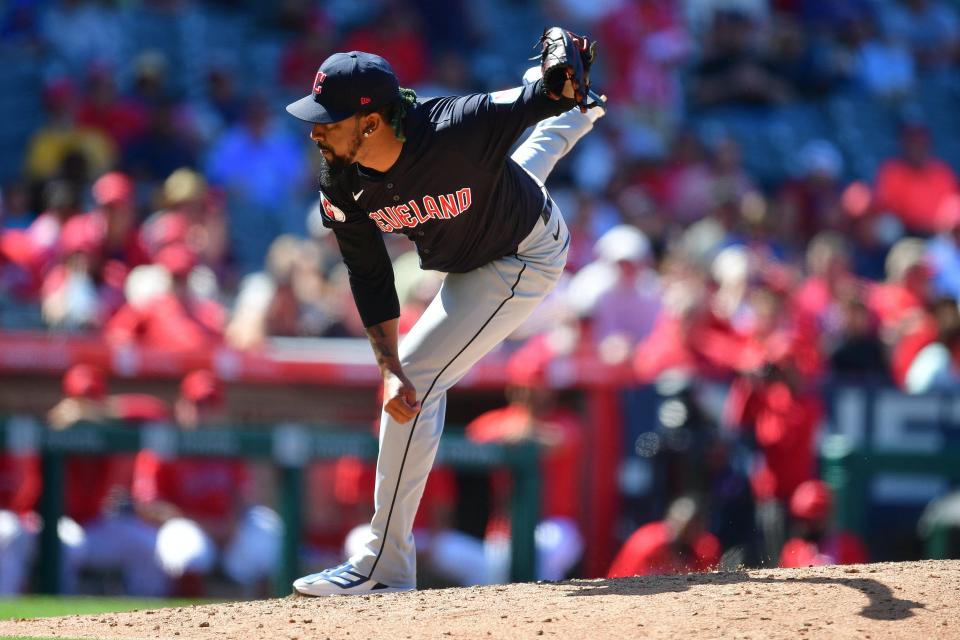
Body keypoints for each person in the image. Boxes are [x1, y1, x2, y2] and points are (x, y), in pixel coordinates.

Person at [285, 38, 604, 596]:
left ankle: (384, 566)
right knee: (510, 170)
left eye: (329, 120)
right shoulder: (340, 179)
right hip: (484, 220)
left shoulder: (456, 124)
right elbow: (370, 275)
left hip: (522, 254)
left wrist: (564, 85)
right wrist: (384, 366)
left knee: (421, 376)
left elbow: (539, 97)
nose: (315, 130)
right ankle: (581, 116)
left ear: (371, 121)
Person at [608, 496, 721, 578]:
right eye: (683, 527)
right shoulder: (647, 544)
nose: (689, 534)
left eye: (695, 528)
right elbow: (621, 581)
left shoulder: (706, 549)